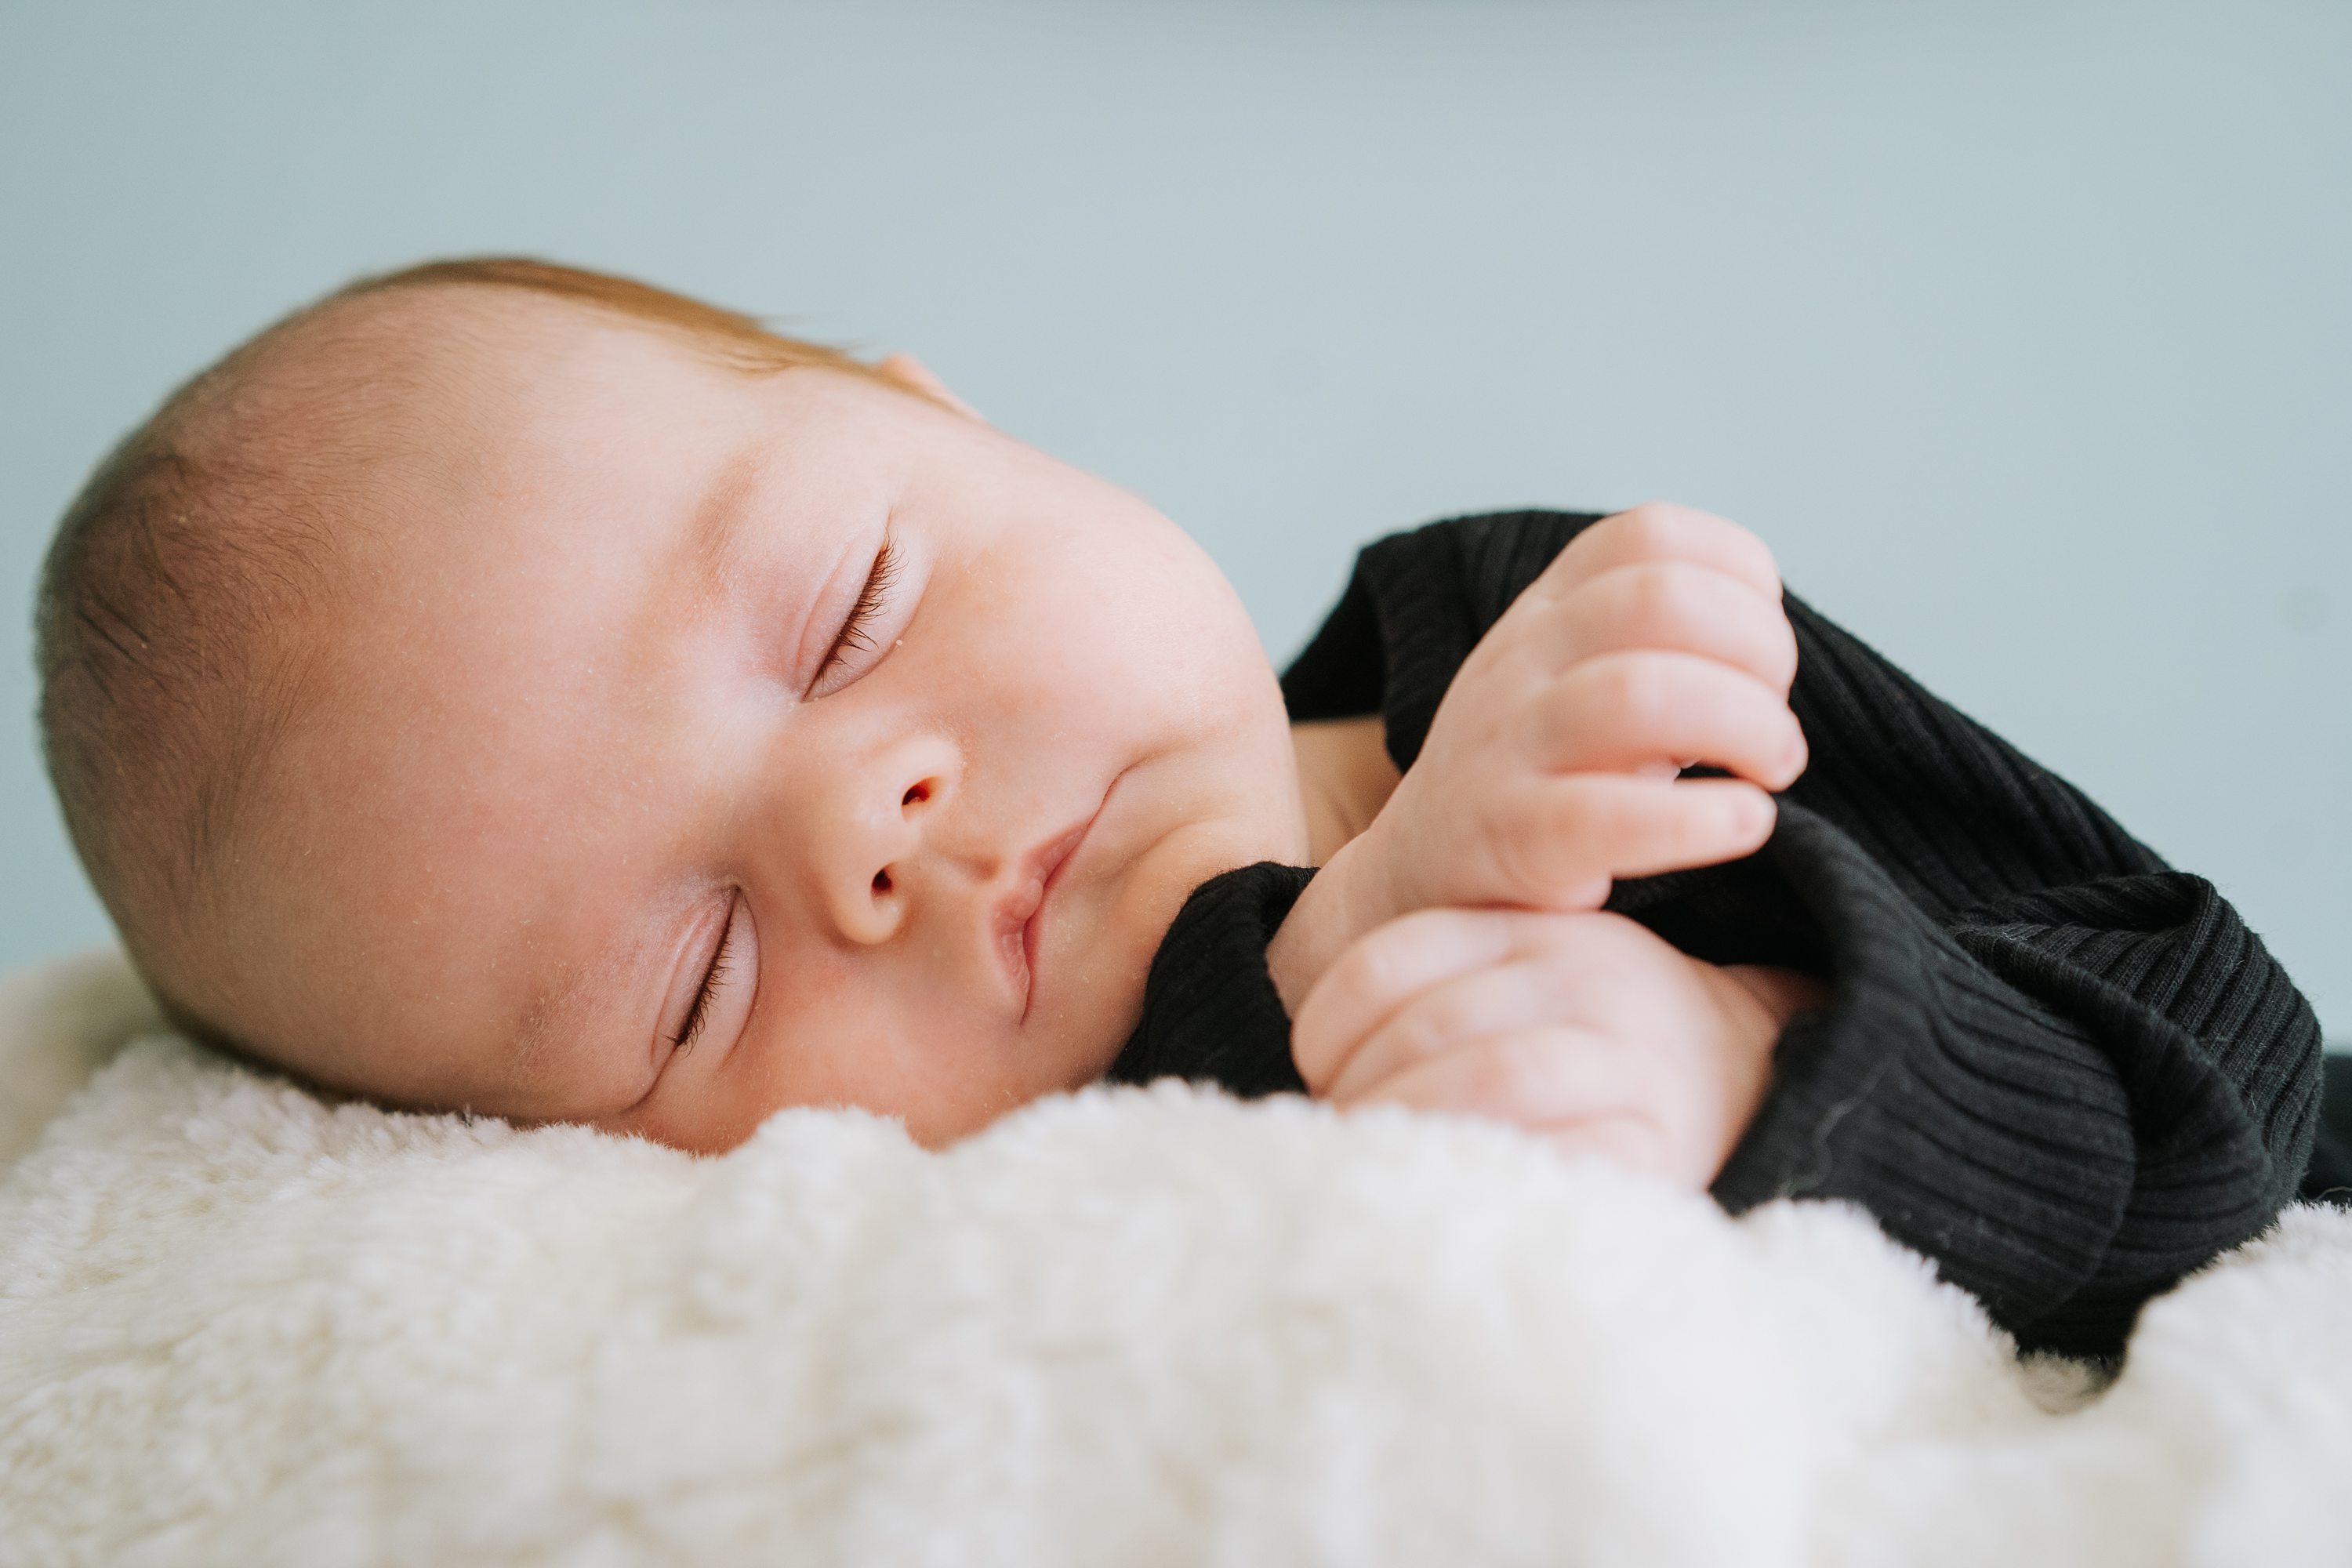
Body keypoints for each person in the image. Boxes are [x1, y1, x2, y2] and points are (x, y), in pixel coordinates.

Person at [34, 258, 2332, 1361]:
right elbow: (1229, 1038)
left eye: (852, 613)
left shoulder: (1525, 648)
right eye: (694, 978)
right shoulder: (1026, 1240)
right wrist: (1321, 964)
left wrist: (1763, 1056)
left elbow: (2209, 1038)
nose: (875, 821)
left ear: (946, 411)